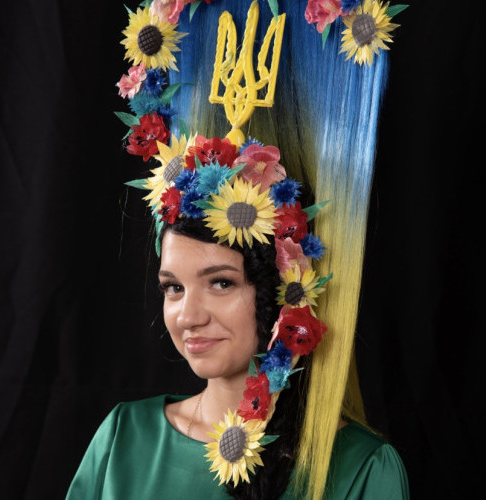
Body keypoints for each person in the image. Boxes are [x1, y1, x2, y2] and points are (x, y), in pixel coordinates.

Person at [66, 1, 410, 498]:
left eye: (221, 282)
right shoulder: (123, 439)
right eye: (173, 288)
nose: (187, 316)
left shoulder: (359, 469)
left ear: (286, 293)